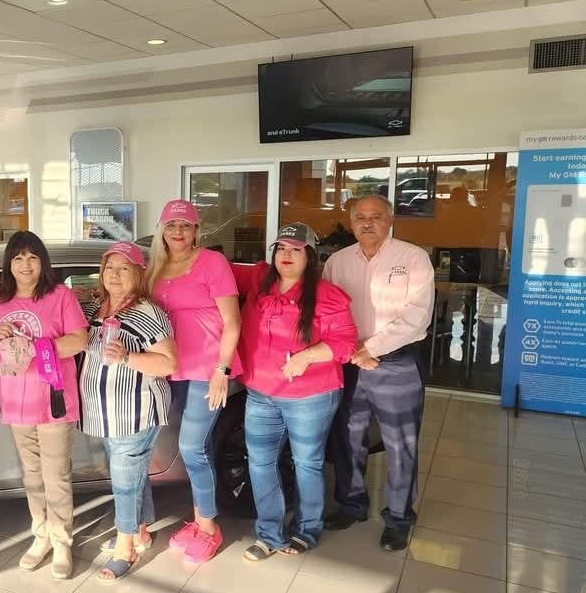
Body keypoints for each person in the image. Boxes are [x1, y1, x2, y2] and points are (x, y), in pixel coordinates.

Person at [232, 224, 357, 562]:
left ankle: (307, 529)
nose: (286, 255)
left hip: (310, 395)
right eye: (280, 248)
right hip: (261, 392)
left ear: (310, 255)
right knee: (259, 462)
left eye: (296, 249)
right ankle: (268, 534)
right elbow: (214, 270)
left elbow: (345, 342)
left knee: (307, 463)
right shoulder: (260, 282)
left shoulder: (327, 294)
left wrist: (307, 355)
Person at [323, 194, 435, 552]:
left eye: (375, 216)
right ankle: (352, 504)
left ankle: (400, 518)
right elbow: (328, 311)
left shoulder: (413, 257)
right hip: (350, 364)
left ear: (389, 220)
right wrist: (354, 353)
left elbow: (417, 315)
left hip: (398, 362)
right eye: (360, 217)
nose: (367, 222)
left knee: (401, 443)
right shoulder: (337, 262)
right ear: (351, 222)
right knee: (348, 437)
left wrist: (371, 349)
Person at [0, 231, 88, 580]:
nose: (25, 264)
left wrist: (39, 347)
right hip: (16, 401)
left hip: (53, 399)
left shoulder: (60, 297)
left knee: (56, 475)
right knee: (31, 475)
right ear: (9, 265)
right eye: (18, 258)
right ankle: (40, 535)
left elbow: (79, 340)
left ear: (42, 262)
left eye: (32, 257)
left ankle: (61, 542)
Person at [146, 199, 242, 564]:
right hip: (170, 369)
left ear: (196, 230)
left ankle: (208, 526)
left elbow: (232, 322)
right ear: (163, 230)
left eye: (185, 226)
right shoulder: (154, 266)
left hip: (205, 369)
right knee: (186, 447)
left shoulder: (212, 263)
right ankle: (199, 518)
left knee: (193, 448)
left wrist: (223, 370)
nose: (178, 232)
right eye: (171, 225)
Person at [78, 242, 176, 582]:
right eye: (109, 268)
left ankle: (126, 546)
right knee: (131, 473)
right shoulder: (100, 307)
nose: (115, 275)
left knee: (124, 479)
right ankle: (141, 530)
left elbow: (168, 362)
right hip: (106, 412)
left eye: (124, 268)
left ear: (139, 273)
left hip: (134, 410)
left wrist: (127, 358)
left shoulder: (147, 311)